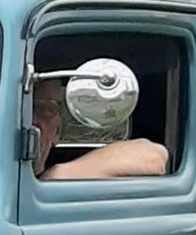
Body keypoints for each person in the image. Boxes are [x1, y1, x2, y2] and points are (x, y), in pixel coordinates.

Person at [32, 77, 169, 179]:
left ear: (57, 131)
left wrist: (54, 177)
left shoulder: (62, 182)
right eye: (22, 109)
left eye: (45, 110)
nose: (31, 121)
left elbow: (154, 157)